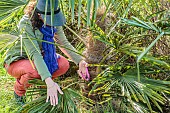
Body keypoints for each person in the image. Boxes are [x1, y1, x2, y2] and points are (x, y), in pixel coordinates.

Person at [4, 0, 89, 106]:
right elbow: (35, 53)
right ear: (39, 15)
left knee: (63, 64)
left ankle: (43, 88)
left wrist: (80, 61)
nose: (53, 22)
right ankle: (19, 92)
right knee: (34, 71)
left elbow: (63, 42)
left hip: (39, 57)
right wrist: (50, 82)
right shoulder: (26, 23)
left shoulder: (53, 19)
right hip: (17, 60)